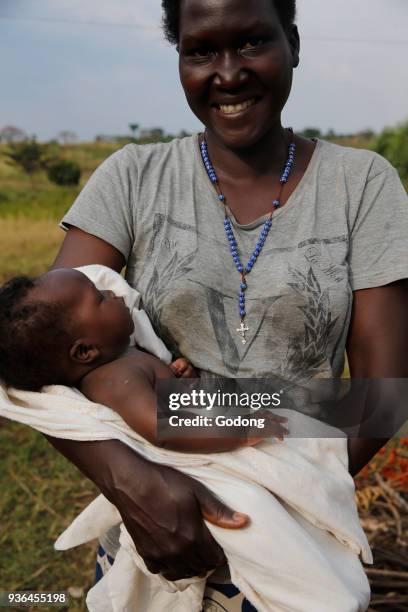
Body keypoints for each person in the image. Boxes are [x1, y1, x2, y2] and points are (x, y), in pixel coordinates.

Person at [40, 0, 408, 609]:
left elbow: (383, 395)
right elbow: (41, 350)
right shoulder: (133, 177)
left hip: (294, 533)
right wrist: (133, 480)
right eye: (202, 51)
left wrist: (264, 487)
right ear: (179, 59)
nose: (229, 73)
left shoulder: (361, 185)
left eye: (253, 42)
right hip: (151, 531)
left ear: (293, 43)